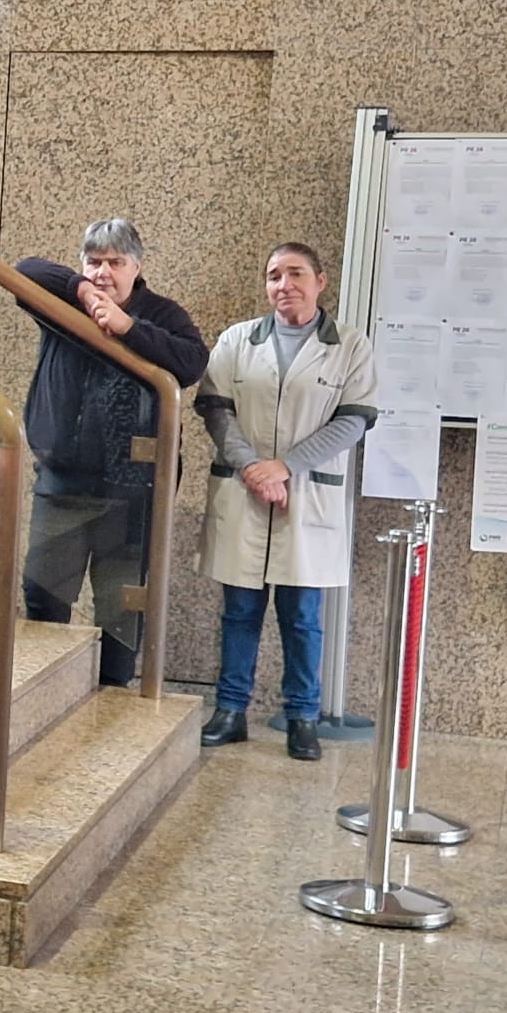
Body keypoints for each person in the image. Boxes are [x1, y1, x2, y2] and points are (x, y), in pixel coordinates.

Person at [197, 242, 377, 760]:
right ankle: (230, 711)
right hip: (244, 491)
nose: (284, 285)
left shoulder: (349, 346)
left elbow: (353, 421)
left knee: (302, 617)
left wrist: (286, 466)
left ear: (320, 282)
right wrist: (254, 469)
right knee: (239, 611)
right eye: (274, 275)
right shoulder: (236, 340)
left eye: (295, 273)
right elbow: (216, 410)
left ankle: (302, 718)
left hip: (307, 496)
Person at [15, 218, 208, 688]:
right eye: (94, 262)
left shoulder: (162, 314)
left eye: (115, 263)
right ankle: (44, 695)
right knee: (43, 595)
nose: (104, 272)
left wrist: (128, 328)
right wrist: (81, 292)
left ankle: (112, 702)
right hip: (62, 483)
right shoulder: (64, 302)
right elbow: (24, 271)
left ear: (136, 267)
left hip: (133, 495)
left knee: (121, 610)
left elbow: (191, 363)